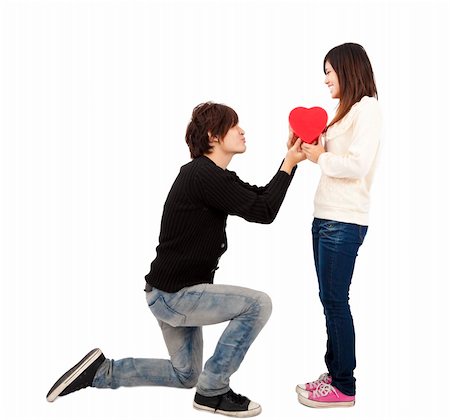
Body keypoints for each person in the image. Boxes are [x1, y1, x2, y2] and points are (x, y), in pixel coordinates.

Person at [46, 102, 306, 417]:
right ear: (213, 135)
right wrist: (289, 163)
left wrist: (290, 160)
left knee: (186, 375)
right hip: (176, 296)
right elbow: (263, 211)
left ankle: (102, 372)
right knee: (258, 304)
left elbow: (263, 201)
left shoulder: (212, 175)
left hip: (166, 293)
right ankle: (214, 391)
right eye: (234, 125)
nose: (242, 130)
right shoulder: (204, 175)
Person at [295, 43, 382, 408]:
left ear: (347, 70)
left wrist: (322, 156)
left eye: (329, 71)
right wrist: (305, 146)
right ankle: (334, 373)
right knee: (329, 300)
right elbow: (326, 156)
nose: (325, 78)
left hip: (344, 221)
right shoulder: (341, 113)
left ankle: (344, 386)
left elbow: (357, 165)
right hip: (326, 217)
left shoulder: (368, 109)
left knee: (336, 301)